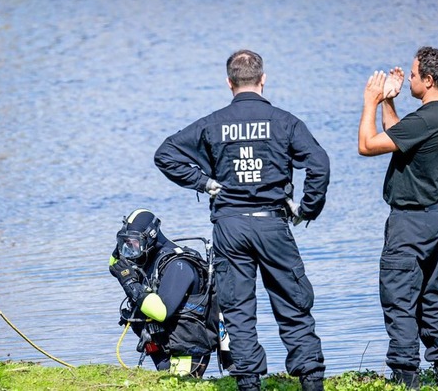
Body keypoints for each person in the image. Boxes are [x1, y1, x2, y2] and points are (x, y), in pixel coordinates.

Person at [154, 49, 330, 391]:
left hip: (230, 227)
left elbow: (166, 154)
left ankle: (249, 383)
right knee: (293, 303)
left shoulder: (212, 123)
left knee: (238, 310)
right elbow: (319, 164)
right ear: (263, 79)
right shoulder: (285, 121)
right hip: (272, 224)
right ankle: (311, 381)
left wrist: (203, 183)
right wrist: (307, 208)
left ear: (229, 82)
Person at [358, 47, 438, 390]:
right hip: (437, 220)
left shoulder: (426, 119)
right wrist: (391, 101)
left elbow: (368, 144)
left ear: (429, 80)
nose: (411, 79)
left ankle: (407, 377)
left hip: (409, 224)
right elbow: (401, 137)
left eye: (415, 76)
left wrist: (371, 100)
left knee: (399, 299)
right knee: (432, 298)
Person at [109, 208, 218, 377]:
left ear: (150, 237)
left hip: (186, 349)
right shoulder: (147, 255)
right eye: (124, 244)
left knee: (181, 386)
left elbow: (161, 312)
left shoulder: (178, 265)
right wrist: (120, 249)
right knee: (166, 381)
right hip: (161, 343)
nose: (128, 251)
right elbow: (114, 265)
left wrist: (131, 283)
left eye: (132, 244)